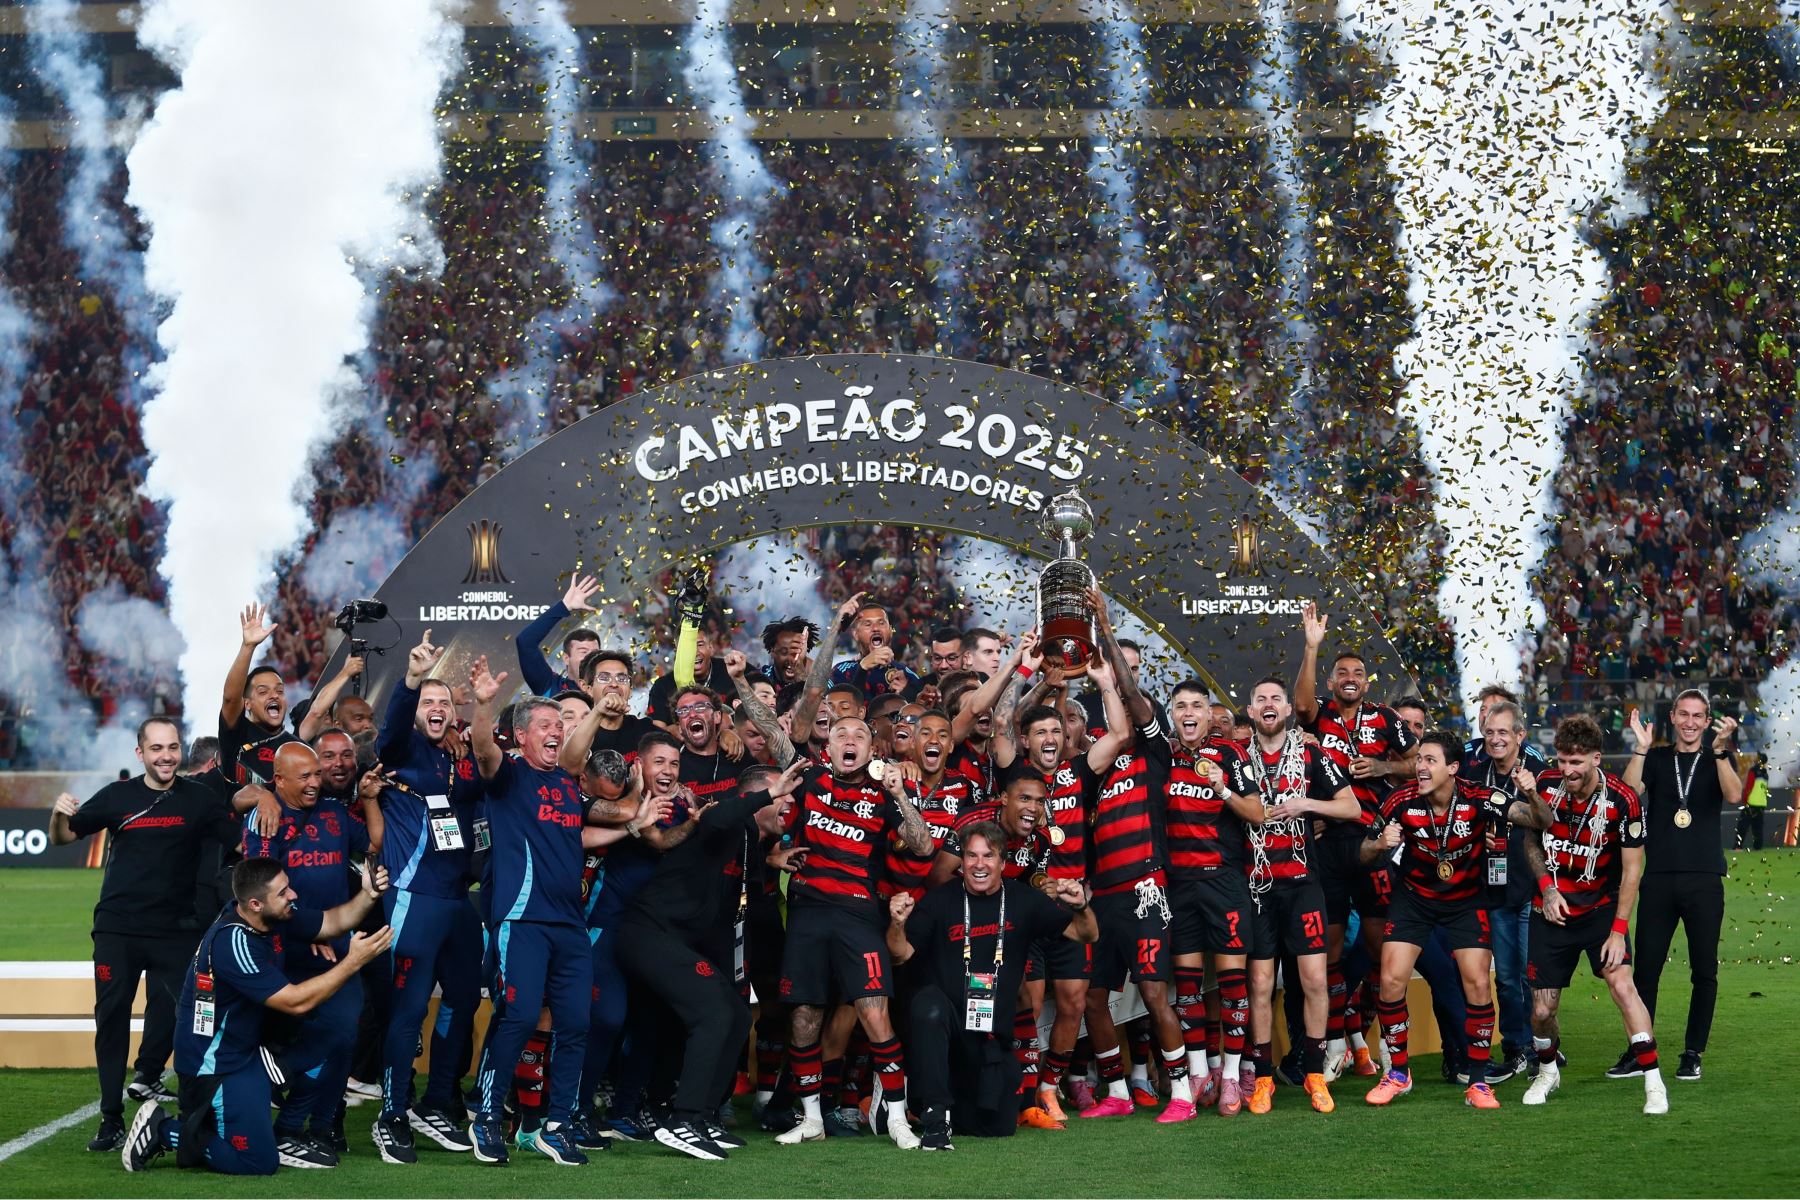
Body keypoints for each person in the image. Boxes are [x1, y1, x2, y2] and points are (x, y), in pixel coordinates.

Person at [120, 856, 393, 1176]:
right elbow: (294, 1002)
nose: (293, 895)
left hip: (248, 1050)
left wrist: (369, 894)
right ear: (255, 904)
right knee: (257, 1162)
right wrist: (352, 962)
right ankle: (164, 1129)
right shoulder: (233, 942)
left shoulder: (269, 917)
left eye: (288, 887)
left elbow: (332, 922)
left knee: (337, 1039)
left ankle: (287, 1131)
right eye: (283, 892)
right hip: (217, 1067)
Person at [49, 717, 240, 1152]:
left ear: (180, 750)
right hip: (117, 928)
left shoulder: (200, 799)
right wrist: (57, 816)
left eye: (172, 747)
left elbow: (242, 842)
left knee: (196, 1018)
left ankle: (200, 1109)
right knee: (111, 1019)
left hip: (177, 931)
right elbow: (63, 838)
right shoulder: (118, 796)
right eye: (156, 749)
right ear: (141, 754)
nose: (166, 756)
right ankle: (111, 1118)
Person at [1362, 732, 1551, 1110]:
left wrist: (1531, 793)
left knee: (1479, 984)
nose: (1420, 767)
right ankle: (1398, 1073)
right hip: (1413, 900)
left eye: (1430, 760)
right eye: (1420, 760)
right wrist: (1380, 845)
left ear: (1452, 768)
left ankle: (1478, 1083)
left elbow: (1541, 820)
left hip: (1465, 902)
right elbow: (1364, 854)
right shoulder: (1400, 800)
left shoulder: (1480, 797)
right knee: (1391, 980)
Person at [617, 760, 792, 1160]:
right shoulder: (728, 819)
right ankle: (683, 1119)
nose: (787, 803)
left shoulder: (752, 846)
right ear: (752, 799)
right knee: (714, 1011)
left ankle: (703, 1116)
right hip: (647, 933)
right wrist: (767, 792)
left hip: (679, 945)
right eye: (780, 795)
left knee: (733, 1011)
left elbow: (732, 918)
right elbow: (715, 819)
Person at [773, 716, 933, 1148]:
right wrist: (736, 681)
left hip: (859, 916)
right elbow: (772, 730)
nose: (849, 740)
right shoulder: (810, 778)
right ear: (828, 745)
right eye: (841, 733)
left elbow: (923, 846)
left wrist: (899, 794)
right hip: (807, 915)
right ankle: (811, 1119)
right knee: (804, 1019)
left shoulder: (883, 794)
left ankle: (898, 1118)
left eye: (859, 735)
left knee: (874, 1012)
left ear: (872, 751)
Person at [887, 821, 1098, 1149]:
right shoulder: (940, 900)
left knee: (996, 1127)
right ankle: (934, 1115)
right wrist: (897, 924)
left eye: (988, 856)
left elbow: (1087, 934)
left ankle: (941, 1107)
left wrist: (1081, 906)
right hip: (946, 1031)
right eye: (971, 856)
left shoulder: (1023, 900)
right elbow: (899, 955)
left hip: (988, 1039)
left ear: (1002, 862)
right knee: (928, 1004)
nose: (979, 864)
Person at [468, 657, 595, 1165]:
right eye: (546, 725)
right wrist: (482, 704)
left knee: (577, 1025)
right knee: (518, 1018)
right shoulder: (509, 775)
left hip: (570, 924)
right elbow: (481, 747)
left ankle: (557, 1125)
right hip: (522, 921)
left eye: (559, 726)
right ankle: (487, 1117)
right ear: (520, 736)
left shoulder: (566, 783)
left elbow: (579, 829)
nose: (555, 732)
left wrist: (632, 826)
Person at [368, 630, 483, 1164]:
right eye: (427, 703)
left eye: (444, 703)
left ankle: (437, 1102)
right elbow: (390, 727)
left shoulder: (460, 758)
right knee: (410, 1008)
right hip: (413, 897)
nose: (435, 709)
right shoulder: (402, 749)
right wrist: (412, 679)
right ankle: (392, 1114)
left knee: (461, 1002)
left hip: (460, 902)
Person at [1293, 603, 1419, 1080]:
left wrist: (1385, 766)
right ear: (1331, 683)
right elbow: (1300, 704)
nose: (1350, 677)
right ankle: (1332, 1046)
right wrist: (1311, 648)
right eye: (1341, 672)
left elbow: (1417, 764)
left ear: (1367, 683)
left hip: (1374, 842)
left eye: (1358, 673)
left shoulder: (1386, 718)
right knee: (1325, 954)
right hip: (1326, 843)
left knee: (1377, 949)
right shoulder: (1318, 714)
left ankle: (1374, 1038)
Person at [1521, 715, 1667, 1115]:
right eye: (1563, 760)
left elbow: (1634, 869)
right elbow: (1531, 842)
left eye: (1577, 762)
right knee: (1542, 1011)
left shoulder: (1622, 799)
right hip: (1551, 911)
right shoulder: (1546, 786)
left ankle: (1654, 1082)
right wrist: (1547, 889)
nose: (1567, 770)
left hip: (1601, 910)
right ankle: (1548, 1072)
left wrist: (1619, 930)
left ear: (1596, 758)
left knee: (1623, 986)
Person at [237, 743, 373, 1165]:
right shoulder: (264, 817)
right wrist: (309, 926)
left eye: (317, 774)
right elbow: (260, 897)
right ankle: (282, 1125)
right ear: (278, 780)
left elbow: (372, 843)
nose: (315, 782)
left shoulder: (334, 812)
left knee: (343, 1034)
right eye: (305, 776)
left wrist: (369, 800)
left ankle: (319, 1127)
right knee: (300, 1043)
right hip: (284, 952)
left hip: (334, 946)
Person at [1240, 676, 1360, 1114]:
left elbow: (1352, 808)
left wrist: (1306, 805)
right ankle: (1264, 1078)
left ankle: (1313, 1073)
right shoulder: (1236, 756)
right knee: (1260, 984)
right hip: (1256, 888)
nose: (1269, 704)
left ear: (1288, 710)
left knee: (1313, 980)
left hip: (1304, 886)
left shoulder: (1312, 753)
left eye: (1276, 698)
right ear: (1251, 712)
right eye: (1261, 699)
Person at [1618, 692, 1741, 1082]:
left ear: (1708, 721)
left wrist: (1721, 752)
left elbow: (1735, 795)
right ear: (1672, 716)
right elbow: (1628, 794)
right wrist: (1640, 747)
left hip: (1705, 878)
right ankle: (1640, 1051)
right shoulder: (1655, 758)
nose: (1690, 722)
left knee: (1704, 970)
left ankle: (1692, 1053)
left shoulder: (1718, 757)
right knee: (1646, 971)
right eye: (1684, 714)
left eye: (1698, 716)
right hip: (1659, 879)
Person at [1160, 680, 1261, 1116]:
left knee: (1233, 986)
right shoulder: (1160, 755)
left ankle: (1233, 1077)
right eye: (1180, 705)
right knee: (1187, 986)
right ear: (1172, 714)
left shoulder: (1231, 755)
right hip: (1178, 884)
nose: (1189, 712)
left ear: (1207, 714)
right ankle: (1200, 1071)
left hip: (1223, 882)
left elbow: (1257, 813)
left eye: (1196, 705)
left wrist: (1222, 789)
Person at [1462, 698, 1551, 1082]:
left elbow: (1550, 823)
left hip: (1531, 889)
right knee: (1506, 978)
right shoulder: (1473, 771)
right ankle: (1516, 1049)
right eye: (1490, 732)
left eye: (1504, 733)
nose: (1496, 740)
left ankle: (1543, 1048)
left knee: (1535, 976)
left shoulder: (1539, 773)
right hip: (1493, 890)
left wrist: (1531, 792)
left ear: (1520, 735)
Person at [515, 573, 604, 696]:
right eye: (583, 652)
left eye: (595, 653)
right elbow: (525, 642)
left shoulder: (609, 691)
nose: (591, 658)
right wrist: (564, 607)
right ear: (566, 659)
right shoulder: (550, 686)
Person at [830, 601, 921, 702]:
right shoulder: (841, 672)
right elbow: (838, 711)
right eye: (868, 624)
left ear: (890, 631)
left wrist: (907, 694)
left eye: (881, 623)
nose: (876, 628)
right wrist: (862, 668)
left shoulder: (908, 676)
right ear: (856, 634)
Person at [1737, 754, 1768, 850]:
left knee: (1742, 826)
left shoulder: (1753, 771)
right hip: (1762, 803)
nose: (1755, 759)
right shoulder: (1765, 773)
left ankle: (1738, 847)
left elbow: (1749, 787)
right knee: (1758, 828)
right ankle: (1758, 847)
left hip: (1751, 803)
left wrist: (1744, 800)